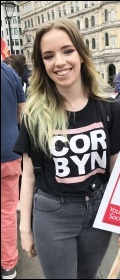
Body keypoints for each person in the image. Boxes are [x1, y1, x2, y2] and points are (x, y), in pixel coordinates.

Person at [13, 18, 120, 279]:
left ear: (80, 53)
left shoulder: (110, 109)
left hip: (98, 213)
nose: (59, 62)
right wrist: (25, 230)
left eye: (67, 51)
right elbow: (29, 176)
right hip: (53, 214)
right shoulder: (35, 114)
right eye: (48, 56)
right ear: (42, 64)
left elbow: (117, 170)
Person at [1, 62, 26, 279]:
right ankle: (8, 265)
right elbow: (22, 114)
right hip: (9, 151)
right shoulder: (9, 73)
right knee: (7, 212)